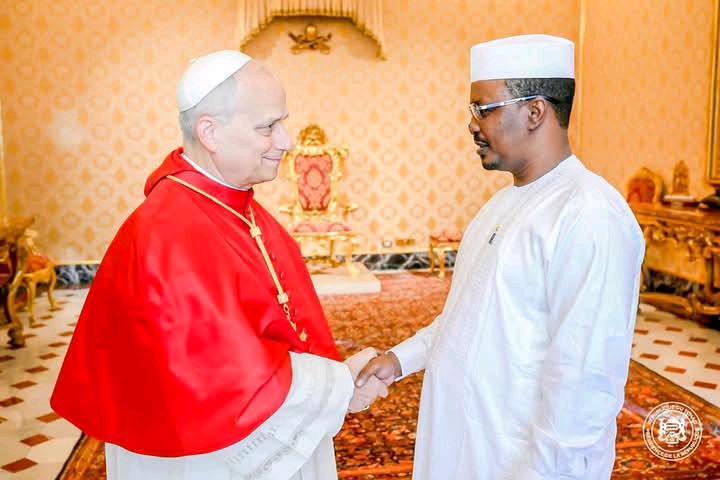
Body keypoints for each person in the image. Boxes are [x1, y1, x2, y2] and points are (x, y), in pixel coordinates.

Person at [50, 50, 388, 480]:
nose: (286, 141)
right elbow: (226, 376)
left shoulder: (234, 206)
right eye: (268, 126)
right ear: (210, 132)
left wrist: (336, 383)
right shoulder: (169, 233)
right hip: (203, 457)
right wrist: (338, 385)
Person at [356, 34, 645, 479]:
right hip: (462, 443)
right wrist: (400, 360)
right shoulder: (501, 204)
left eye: (484, 109)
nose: (472, 125)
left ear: (535, 112)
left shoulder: (589, 213)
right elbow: (466, 317)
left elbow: (584, 382)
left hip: (516, 460)